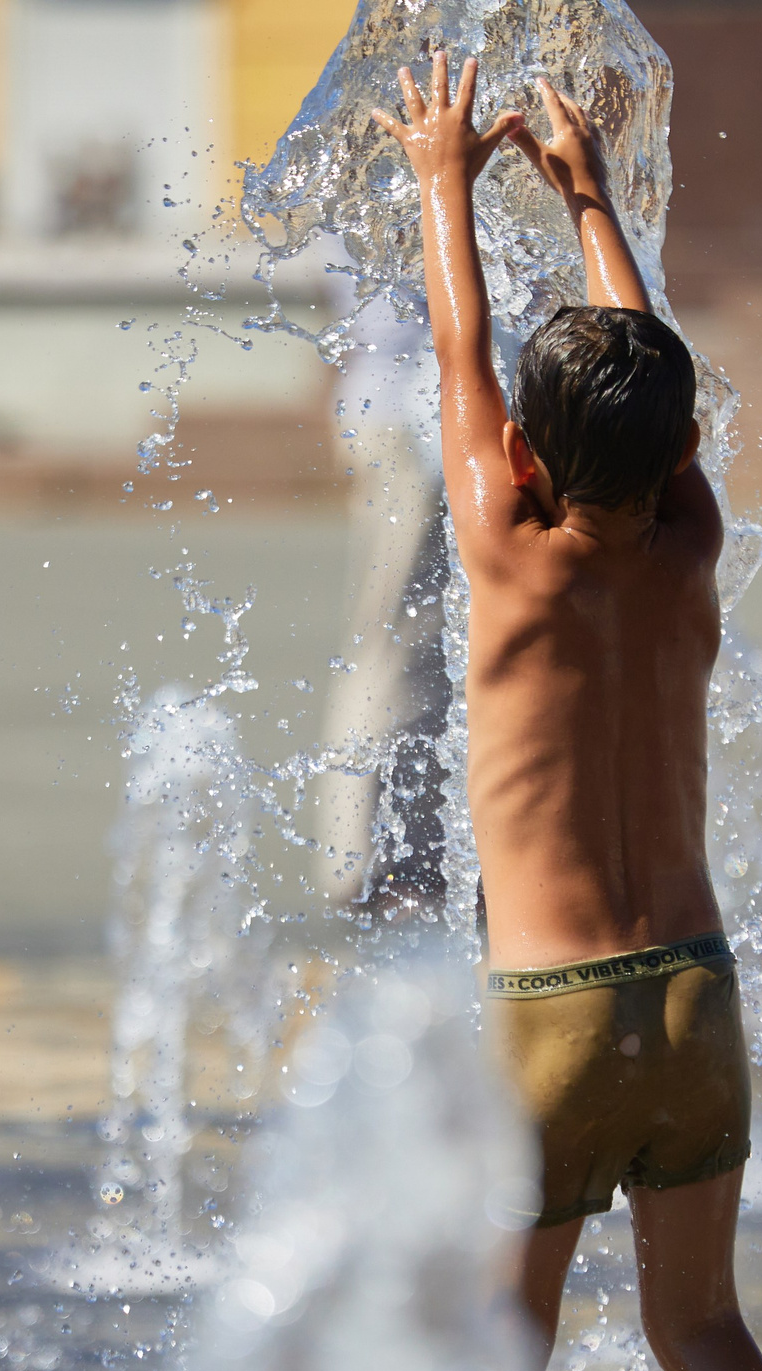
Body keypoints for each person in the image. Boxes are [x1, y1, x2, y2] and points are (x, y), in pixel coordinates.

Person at [374, 52, 762, 1371]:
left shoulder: (506, 549)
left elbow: (459, 350)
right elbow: (656, 387)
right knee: (702, 1321)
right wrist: (587, 192)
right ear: (681, 445)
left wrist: (442, 179)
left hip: (547, 1016)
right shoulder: (692, 544)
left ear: (529, 465)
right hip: (695, 997)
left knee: (505, 1348)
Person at [312, 294, 454, 914]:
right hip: (418, 424)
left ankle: (396, 857)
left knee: (418, 647)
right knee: (400, 646)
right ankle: (373, 863)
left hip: (403, 413)